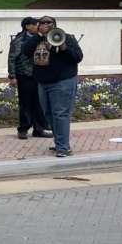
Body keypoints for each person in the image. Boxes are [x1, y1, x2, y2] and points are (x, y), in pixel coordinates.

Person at [25, 16, 83, 158]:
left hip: (63, 82)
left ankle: (63, 147)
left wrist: (63, 47)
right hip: (43, 82)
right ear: (39, 26)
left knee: (60, 114)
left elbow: (78, 57)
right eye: (43, 23)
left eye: (49, 22)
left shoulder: (67, 38)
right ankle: (59, 143)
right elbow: (25, 52)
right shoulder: (36, 39)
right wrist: (39, 36)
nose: (46, 25)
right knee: (48, 114)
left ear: (55, 24)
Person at [8, 17, 51, 140]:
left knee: (38, 104)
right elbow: (12, 59)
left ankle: (39, 129)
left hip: (38, 75)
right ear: (27, 26)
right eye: (34, 24)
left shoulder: (42, 38)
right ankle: (23, 129)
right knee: (25, 104)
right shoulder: (19, 40)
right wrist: (12, 76)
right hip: (24, 75)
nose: (37, 26)